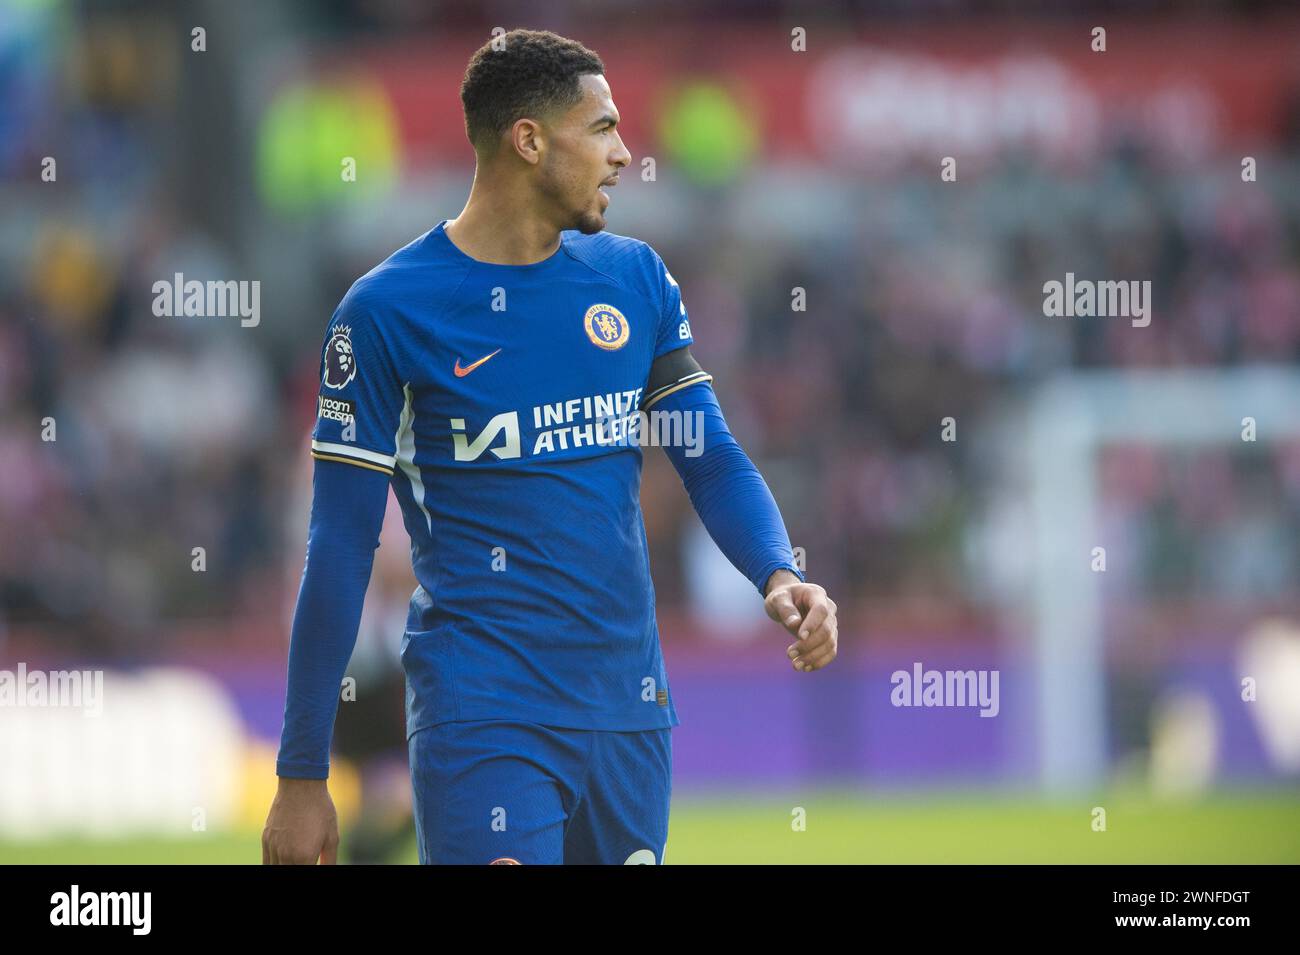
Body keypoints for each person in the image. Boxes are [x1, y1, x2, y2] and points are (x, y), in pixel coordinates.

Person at [262, 28, 838, 865]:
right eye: (602, 128)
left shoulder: (633, 280)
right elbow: (341, 544)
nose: (625, 152)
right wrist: (302, 771)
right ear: (528, 141)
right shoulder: (386, 312)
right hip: (483, 713)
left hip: (627, 712)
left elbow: (707, 453)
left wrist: (779, 570)